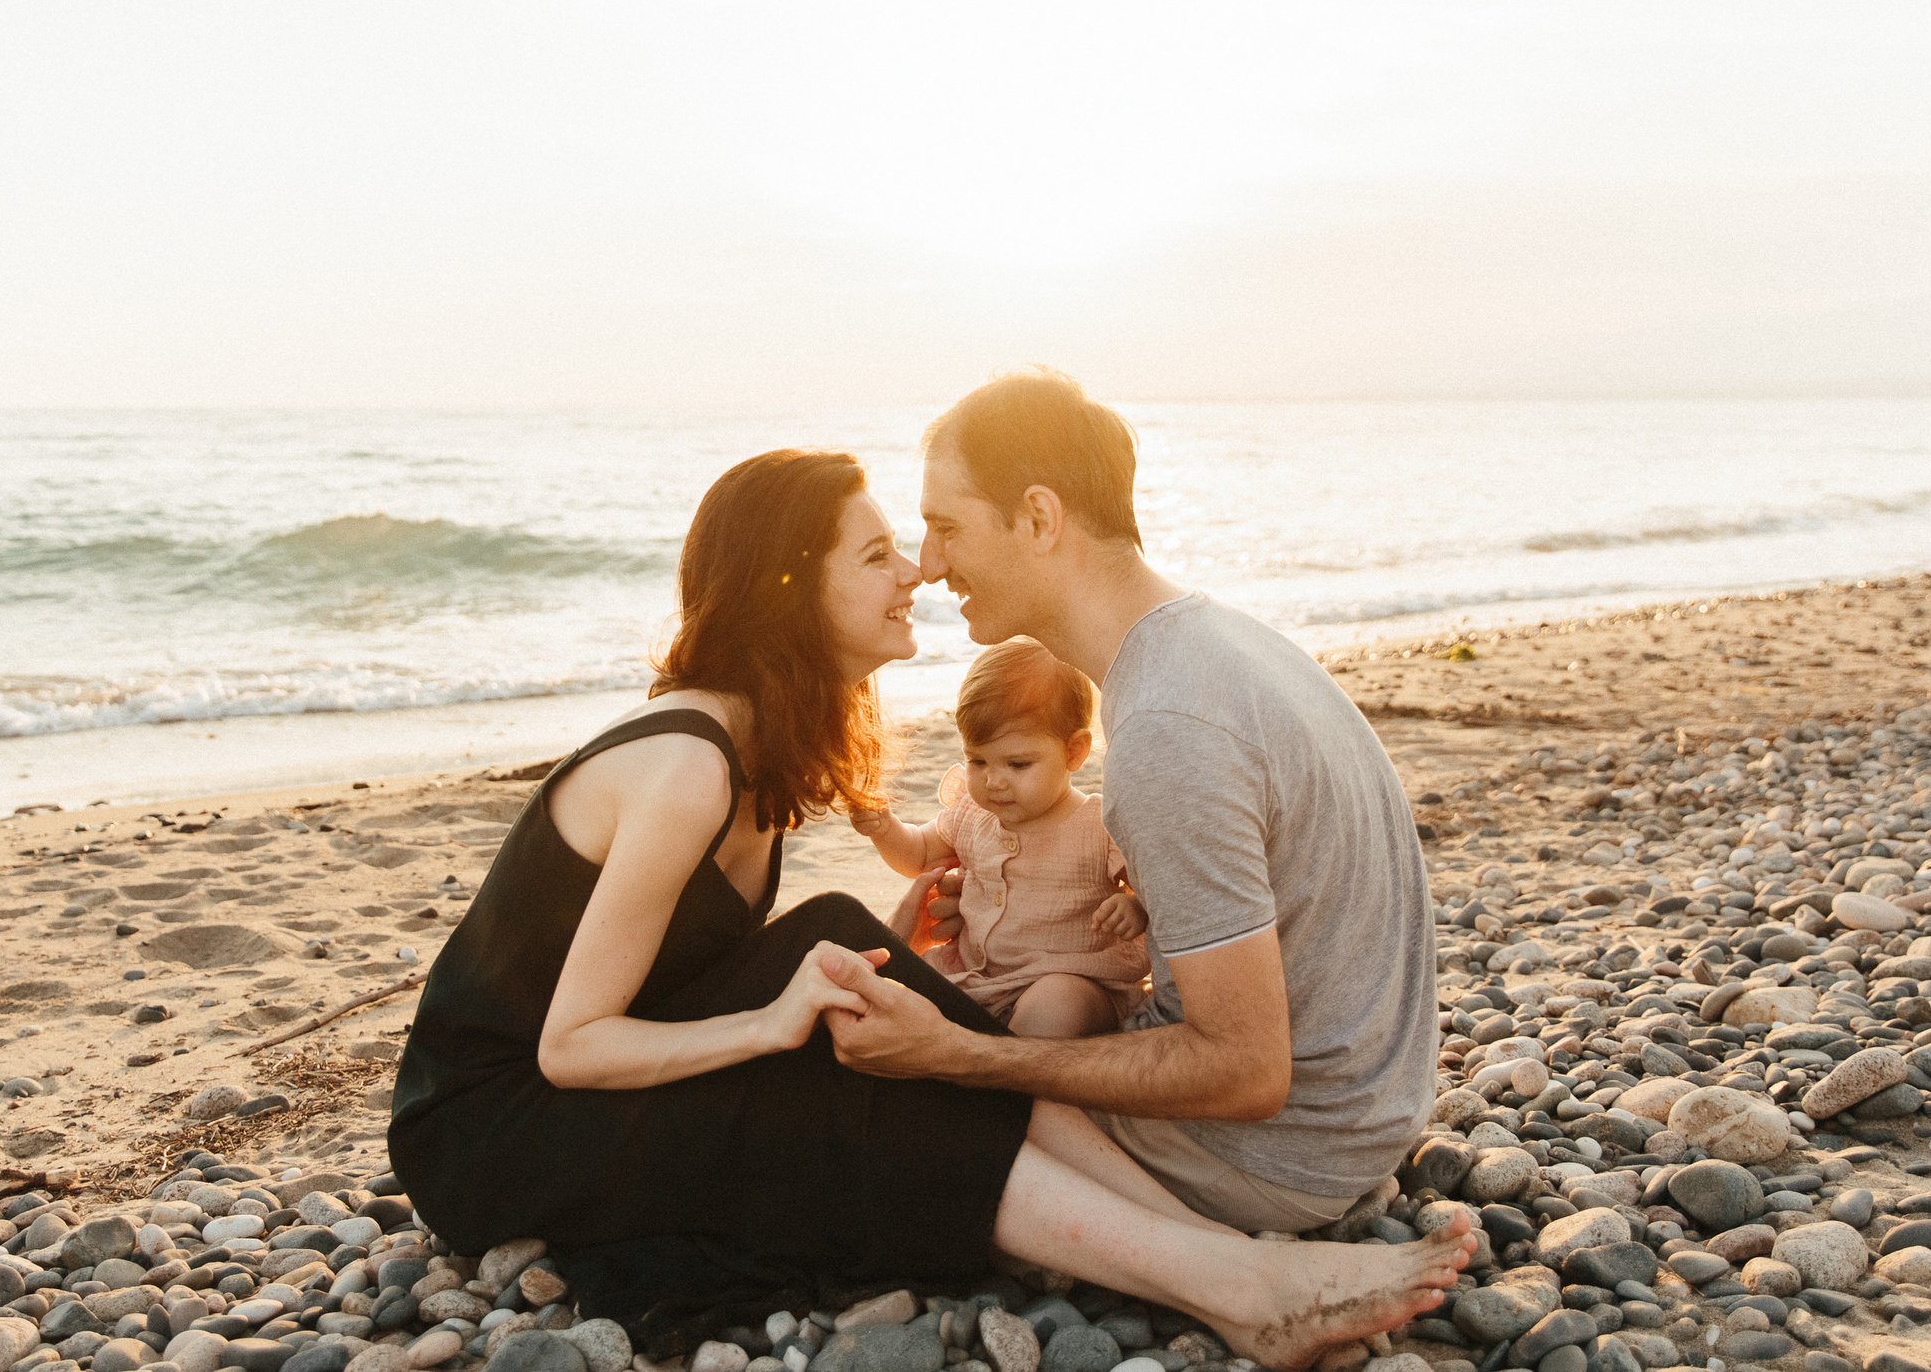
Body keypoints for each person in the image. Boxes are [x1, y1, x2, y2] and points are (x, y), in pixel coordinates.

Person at [389, 446, 1469, 1369]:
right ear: (784, 588)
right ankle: (1232, 1281)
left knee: (848, 951)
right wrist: (774, 1023)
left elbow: (684, 974)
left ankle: (1214, 1254)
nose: (915, 568)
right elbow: (571, 1045)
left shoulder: (752, 750)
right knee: (846, 1045)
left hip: (595, 1080)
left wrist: (882, 961)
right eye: (875, 554)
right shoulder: (684, 762)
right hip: (495, 1129)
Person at [821, 371, 1442, 1240]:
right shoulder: (1221, 645)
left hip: (1271, 1155)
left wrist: (962, 1054)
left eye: (946, 525)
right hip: (1363, 1113)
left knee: (843, 1115)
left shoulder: (1166, 727)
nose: (926, 564)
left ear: (1039, 517)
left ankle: (1239, 1277)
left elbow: (1245, 1071)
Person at [845, 636, 1150, 1037]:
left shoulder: (1099, 823)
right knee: (902, 998)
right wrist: (886, 830)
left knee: (1056, 1004)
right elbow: (918, 855)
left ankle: (1013, 1074)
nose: (993, 781)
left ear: (1074, 751)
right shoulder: (972, 814)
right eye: (977, 760)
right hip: (978, 980)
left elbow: (1158, 888)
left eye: (1018, 764)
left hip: (1073, 980)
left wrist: (1136, 907)